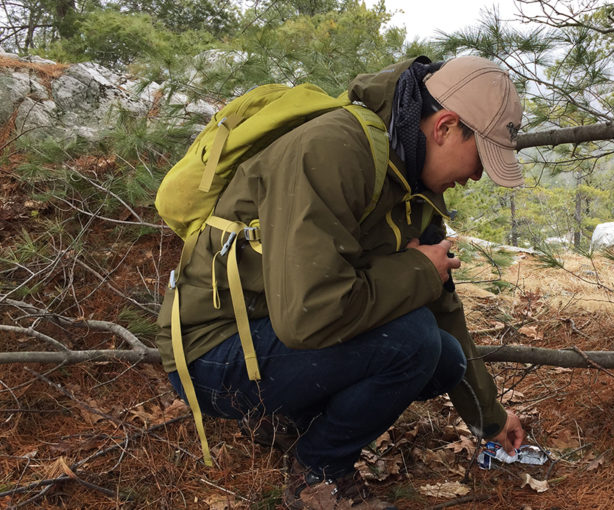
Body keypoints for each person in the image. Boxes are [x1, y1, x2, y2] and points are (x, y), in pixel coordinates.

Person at [155, 55, 526, 509]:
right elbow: (309, 317)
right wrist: (417, 271)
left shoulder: (413, 186)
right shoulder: (335, 149)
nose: (477, 176)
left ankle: (293, 418)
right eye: (481, 157)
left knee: (443, 357)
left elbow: (443, 307)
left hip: (272, 337)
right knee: (413, 342)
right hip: (214, 354)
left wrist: (490, 418)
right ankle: (317, 474)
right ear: (445, 127)